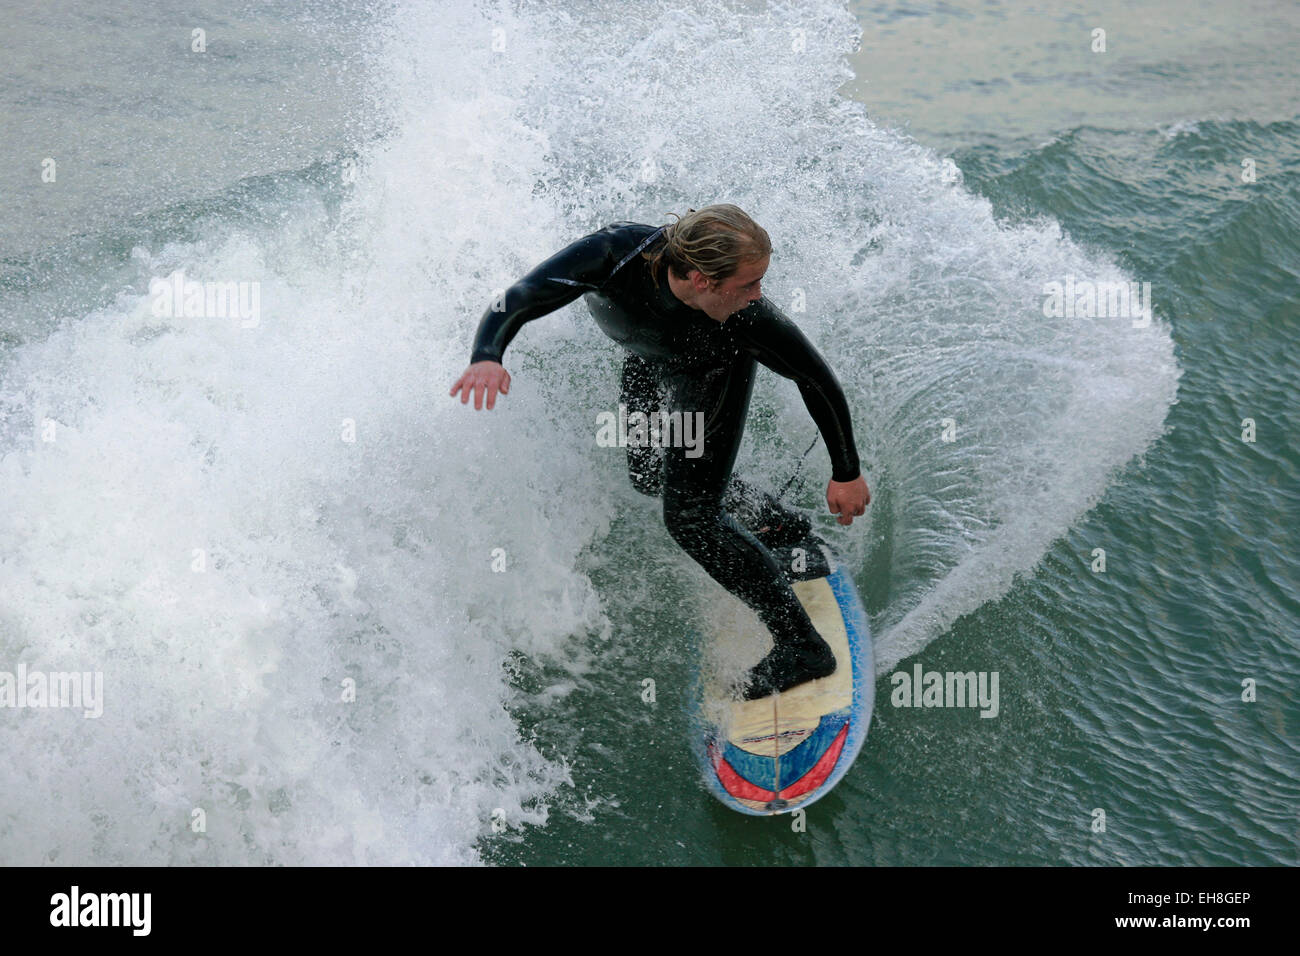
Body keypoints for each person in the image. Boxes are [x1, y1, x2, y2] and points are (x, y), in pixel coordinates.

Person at [450, 204, 870, 698]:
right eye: (748, 283)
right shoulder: (614, 254)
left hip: (711, 376)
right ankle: (777, 524)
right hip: (650, 359)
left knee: (691, 517)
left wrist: (846, 472)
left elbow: (814, 379)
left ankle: (803, 648)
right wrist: (487, 354)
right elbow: (520, 297)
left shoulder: (747, 319)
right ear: (699, 279)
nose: (759, 295)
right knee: (648, 474)